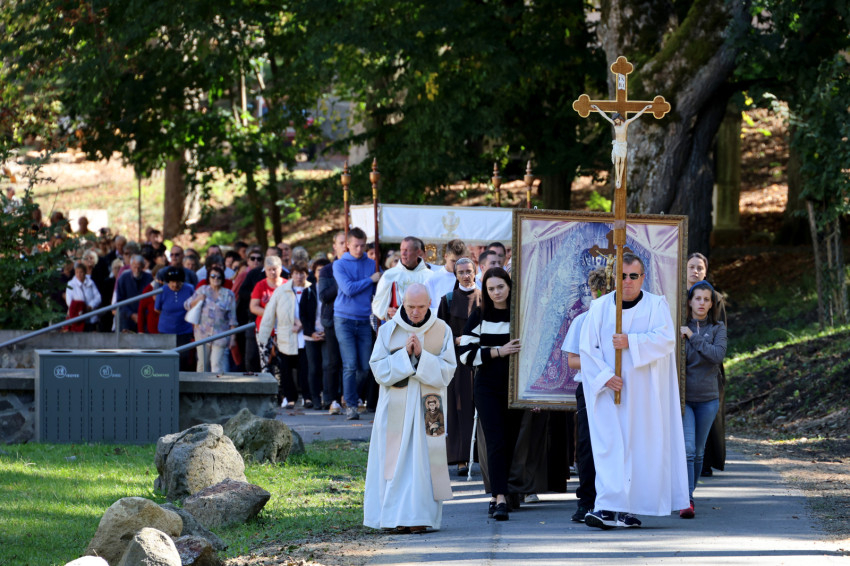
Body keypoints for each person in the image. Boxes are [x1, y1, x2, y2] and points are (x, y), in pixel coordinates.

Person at [580, 253, 689, 529]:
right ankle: (607, 507)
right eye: (622, 276)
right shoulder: (600, 308)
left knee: (640, 448)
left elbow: (666, 340)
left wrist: (631, 341)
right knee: (610, 448)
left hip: (644, 393)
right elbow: (587, 349)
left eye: (633, 276)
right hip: (610, 393)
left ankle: (630, 510)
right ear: (614, 278)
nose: (627, 281)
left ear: (642, 278)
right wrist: (605, 377)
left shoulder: (656, 305)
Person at [364, 284, 457, 532]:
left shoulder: (442, 329)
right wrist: (404, 355)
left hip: (430, 408)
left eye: (421, 307)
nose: (415, 312)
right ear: (403, 304)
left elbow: (447, 372)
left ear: (430, 305)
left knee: (424, 464)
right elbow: (378, 370)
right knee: (393, 463)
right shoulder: (388, 330)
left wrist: (422, 356)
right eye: (410, 306)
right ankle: (393, 518)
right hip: (395, 410)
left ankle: (420, 519)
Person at [458, 267, 522, 521]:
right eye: (491, 288)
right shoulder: (479, 316)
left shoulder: (519, 315)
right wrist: (498, 351)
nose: (496, 292)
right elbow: (465, 355)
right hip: (487, 387)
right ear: (485, 290)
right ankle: (501, 498)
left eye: (500, 287)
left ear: (509, 287)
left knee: (510, 441)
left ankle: (499, 494)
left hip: (515, 388)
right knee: (495, 441)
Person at [561, 268, 609, 522]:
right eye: (595, 289)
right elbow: (572, 360)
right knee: (587, 445)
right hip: (589, 386)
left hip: (616, 386)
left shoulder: (621, 321)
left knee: (615, 443)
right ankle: (587, 500)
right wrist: (602, 365)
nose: (599, 294)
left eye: (605, 289)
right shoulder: (581, 321)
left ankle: (613, 499)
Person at [679, 280, 727, 519]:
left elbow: (717, 355)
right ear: (689, 301)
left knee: (699, 452)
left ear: (711, 304)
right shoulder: (680, 327)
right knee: (688, 449)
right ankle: (686, 499)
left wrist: (693, 338)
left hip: (708, 399)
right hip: (685, 399)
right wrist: (687, 335)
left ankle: (689, 493)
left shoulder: (718, 328)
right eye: (697, 298)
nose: (701, 303)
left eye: (706, 299)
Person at [436, 257, 480, 476]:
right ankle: (461, 457)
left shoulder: (485, 297)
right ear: (455, 275)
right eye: (461, 272)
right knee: (458, 407)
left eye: (469, 271)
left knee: (478, 406)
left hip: (481, 359)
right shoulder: (448, 300)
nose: (465, 275)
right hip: (456, 361)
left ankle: (479, 455)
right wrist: (455, 340)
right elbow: (439, 333)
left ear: (475, 272)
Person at [333, 228, 381, 420]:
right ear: (348, 245)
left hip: (364, 319)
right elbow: (348, 289)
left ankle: (352, 396)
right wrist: (370, 280)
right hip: (344, 318)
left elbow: (382, 286)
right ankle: (351, 405)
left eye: (362, 246)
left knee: (365, 367)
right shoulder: (339, 264)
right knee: (350, 364)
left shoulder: (372, 264)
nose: (359, 249)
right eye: (355, 246)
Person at [687, 252, 727, 477]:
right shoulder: (676, 296)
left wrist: (696, 339)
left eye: (700, 268)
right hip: (686, 382)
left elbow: (718, 345)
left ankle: (704, 464)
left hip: (708, 375)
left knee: (704, 433)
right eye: (691, 267)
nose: (695, 271)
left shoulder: (716, 301)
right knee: (689, 444)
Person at [187, 265, 238, 372]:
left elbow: (232, 318)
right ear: (208, 278)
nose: (216, 279)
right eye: (213, 276)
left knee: (217, 364)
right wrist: (198, 299)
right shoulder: (202, 290)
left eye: (219, 277)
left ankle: (218, 383)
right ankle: (200, 383)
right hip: (202, 334)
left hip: (221, 334)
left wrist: (233, 338)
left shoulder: (229, 294)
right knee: (202, 364)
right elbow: (187, 305)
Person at [251, 256, 287, 401]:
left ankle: (281, 394)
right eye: (269, 269)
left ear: (281, 269)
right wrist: (271, 313)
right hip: (265, 330)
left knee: (282, 364)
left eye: (275, 269)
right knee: (265, 363)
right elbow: (254, 306)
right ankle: (267, 395)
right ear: (265, 270)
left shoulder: (287, 284)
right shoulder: (260, 286)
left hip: (283, 330)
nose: (272, 272)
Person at [590, 104, 653, 188]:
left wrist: (645, 108)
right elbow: (604, 115)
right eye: (615, 121)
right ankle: (618, 179)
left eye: (617, 120)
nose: (616, 122)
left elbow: (637, 115)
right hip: (617, 145)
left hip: (623, 145)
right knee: (617, 162)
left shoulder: (626, 123)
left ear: (620, 118)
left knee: (622, 162)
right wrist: (597, 108)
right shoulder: (614, 124)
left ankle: (620, 178)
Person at [372, 236, 434, 322]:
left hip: (423, 326)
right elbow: (377, 304)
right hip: (396, 325)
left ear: (418, 252)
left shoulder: (430, 276)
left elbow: (437, 306)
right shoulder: (389, 275)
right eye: (401, 250)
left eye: (407, 250)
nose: (403, 254)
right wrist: (387, 311)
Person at [319, 232, 347, 414]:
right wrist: (342, 282)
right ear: (334, 246)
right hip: (332, 320)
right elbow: (323, 296)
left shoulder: (358, 267)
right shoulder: (327, 270)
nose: (345, 246)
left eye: (347, 243)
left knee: (352, 363)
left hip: (353, 319)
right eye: (341, 243)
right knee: (333, 361)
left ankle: (350, 396)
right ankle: (332, 399)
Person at [154, 266, 195, 370]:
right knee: (166, 358)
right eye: (172, 282)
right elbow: (157, 309)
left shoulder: (189, 289)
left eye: (178, 282)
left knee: (183, 358)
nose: (175, 285)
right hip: (166, 330)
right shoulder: (162, 290)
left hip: (184, 330)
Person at [303, 258, 329, 410]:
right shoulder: (309, 290)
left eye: (325, 270)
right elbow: (303, 315)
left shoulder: (332, 290)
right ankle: (315, 398)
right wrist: (311, 332)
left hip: (327, 333)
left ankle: (328, 398)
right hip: (311, 335)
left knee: (327, 366)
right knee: (313, 368)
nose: (322, 273)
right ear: (314, 272)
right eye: (319, 270)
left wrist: (328, 330)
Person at [114, 254, 152, 332]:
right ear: (131, 266)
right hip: (126, 318)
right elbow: (120, 300)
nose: (137, 270)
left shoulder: (149, 278)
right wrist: (131, 314)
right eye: (135, 267)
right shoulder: (123, 278)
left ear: (143, 267)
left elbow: (150, 300)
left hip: (144, 317)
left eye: (139, 267)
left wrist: (141, 315)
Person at [426, 239, 466, 309]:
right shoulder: (433, 279)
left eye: (459, 261)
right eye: (453, 261)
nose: (456, 264)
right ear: (446, 257)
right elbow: (426, 306)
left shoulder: (468, 278)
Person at [65, 261, 101, 331]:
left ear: (85, 272)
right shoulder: (70, 284)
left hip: (90, 315)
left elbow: (98, 297)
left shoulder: (91, 283)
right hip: (77, 316)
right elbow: (69, 301)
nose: (79, 274)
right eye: (77, 272)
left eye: (81, 272)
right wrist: (81, 306)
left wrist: (91, 306)